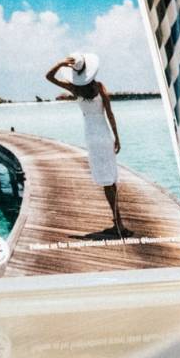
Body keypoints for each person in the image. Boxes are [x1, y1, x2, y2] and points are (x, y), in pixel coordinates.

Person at [45, 52, 126, 236]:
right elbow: (110, 114)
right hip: (104, 133)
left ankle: (119, 224)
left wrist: (60, 63)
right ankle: (118, 223)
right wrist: (117, 137)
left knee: (107, 181)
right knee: (111, 180)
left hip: (91, 135)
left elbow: (48, 77)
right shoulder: (100, 86)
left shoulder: (75, 89)